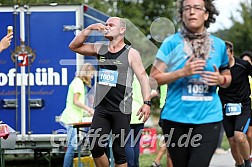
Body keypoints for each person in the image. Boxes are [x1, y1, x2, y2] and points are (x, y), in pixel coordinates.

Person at [150, 0, 231, 166]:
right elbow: (153, 78)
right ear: (182, 15)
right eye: (187, 8)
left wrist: (220, 80)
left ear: (206, 14)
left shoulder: (220, 45)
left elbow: (227, 76)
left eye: (196, 8)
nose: (191, 12)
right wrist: (182, 72)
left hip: (209, 118)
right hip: (175, 118)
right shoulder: (171, 43)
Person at [68, 17, 151, 167]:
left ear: (122, 30)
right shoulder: (100, 48)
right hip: (102, 108)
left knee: (120, 152)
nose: (106, 27)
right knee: (95, 145)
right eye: (105, 24)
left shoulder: (131, 53)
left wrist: (147, 102)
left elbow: (143, 77)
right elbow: (74, 46)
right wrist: (89, 28)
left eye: (111, 25)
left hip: (121, 109)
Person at [218, 42, 252, 167]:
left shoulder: (243, 65)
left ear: (232, 53)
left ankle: (247, 163)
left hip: (243, 106)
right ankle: (240, 164)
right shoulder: (218, 68)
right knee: (232, 141)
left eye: (226, 55)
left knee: (240, 136)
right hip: (225, 107)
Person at [60, 63, 95, 167]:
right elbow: (76, 101)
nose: (92, 77)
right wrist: (89, 109)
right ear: (86, 73)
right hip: (72, 119)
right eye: (91, 74)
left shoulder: (77, 82)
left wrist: (85, 112)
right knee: (72, 147)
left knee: (75, 146)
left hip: (74, 118)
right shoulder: (78, 83)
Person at [125, 75, 157, 167]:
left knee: (127, 143)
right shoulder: (143, 74)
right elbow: (148, 93)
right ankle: (135, 165)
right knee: (135, 143)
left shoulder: (124, 72)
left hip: (127, 111)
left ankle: (130, 165)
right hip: (141, 111)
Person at [151, 85, 173, 167]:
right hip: (169, 109)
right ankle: (157, 160)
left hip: (166, 108)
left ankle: (157, 160)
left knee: (170, 139)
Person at [240, 51, 252, 161]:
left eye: (248, 61)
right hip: (244, 109)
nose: (245, 63)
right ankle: (246, 156)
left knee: (250, 134)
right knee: (245, 135)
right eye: (244, 61)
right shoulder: (239, 77)